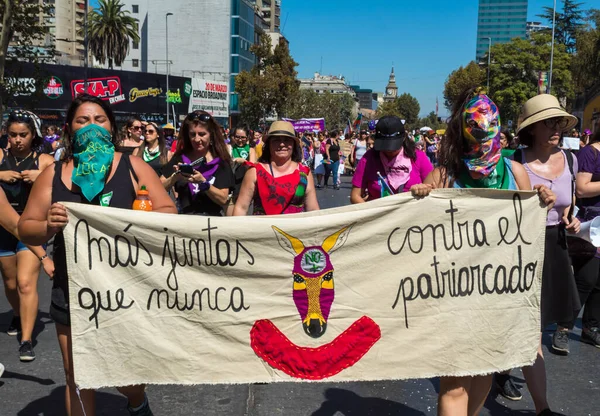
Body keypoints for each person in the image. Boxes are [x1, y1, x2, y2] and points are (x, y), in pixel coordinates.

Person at [18, 93, 177, 416]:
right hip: (72, 289)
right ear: (69, 129)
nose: (91, 126)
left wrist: (140, 215)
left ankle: (136, 401)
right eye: (82, 120)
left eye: (99, 119)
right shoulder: (54, 174)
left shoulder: (132, 166)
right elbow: (26, 228)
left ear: (111, 126)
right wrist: (48, 224)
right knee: (76, 375)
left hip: (125, 289)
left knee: (124, 371)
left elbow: (168, 212)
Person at [410, 88, 556, 416]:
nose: (483, 149)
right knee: (454, 381)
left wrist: (541, 199)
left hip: (498, 293)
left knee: (484, 372)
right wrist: (421, 194)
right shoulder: (445, 175)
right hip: (453, 294)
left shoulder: (514, 172)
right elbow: (417, 231)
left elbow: (526, 227)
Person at [1, 110, 55, 361]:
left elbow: (62, 186)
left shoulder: (44, 161)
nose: (18, 139)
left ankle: (26, 339)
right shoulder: (0, 157)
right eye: (13, 135)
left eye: (23, 134)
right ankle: (16, 313)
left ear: (33, 135)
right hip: (3, 228)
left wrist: (41, 178)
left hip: (31, 227)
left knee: (25, 282)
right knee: (10, 284)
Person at [233, 120, 319, 216]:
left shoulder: (305, 174)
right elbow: (241, 208)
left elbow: (313, 210)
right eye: (276, 140)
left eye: (287, 140)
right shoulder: (254, 172)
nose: (282, 144)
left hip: (293, 231)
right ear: (268, 144)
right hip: (263, 230)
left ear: (294, 144)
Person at [566, 121, 600, 350]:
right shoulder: (590, 153)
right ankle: (563, 326)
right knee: (586, 279)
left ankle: (591, 328)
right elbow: (581, 188)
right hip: (590, 224)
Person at [161, 111, 234, 216]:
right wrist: (175, 177)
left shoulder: (220, 162)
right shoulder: (180, 158)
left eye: (202, 134)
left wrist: (203, 183)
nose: (196, 139)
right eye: (192, 134)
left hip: (211, 223)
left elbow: (222, 199)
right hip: (184, 220)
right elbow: (159, 187)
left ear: (211, 135)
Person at [351, 116, 433, 203]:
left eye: (394, 147)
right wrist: (373, 214)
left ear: (403, 138)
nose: (389, 151)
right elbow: (355, 196)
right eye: (384, 146)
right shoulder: (368, 158)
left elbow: (434, 190)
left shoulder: (419, 157)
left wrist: (424, 189)